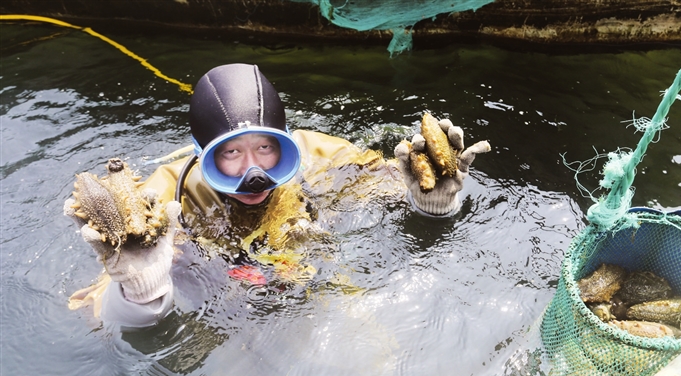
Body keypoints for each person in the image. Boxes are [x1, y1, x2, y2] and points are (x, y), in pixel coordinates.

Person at [65, 63, 490, 328]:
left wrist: (432, 205)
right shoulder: (162, 198)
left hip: (313, 291)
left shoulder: (321, 156)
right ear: (202, 154)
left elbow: (387, 185)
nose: (254, 173)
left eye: (265, 148)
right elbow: (94, 309)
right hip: (221, 309)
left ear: (285, 142)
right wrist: (142, 290)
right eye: (230, 153)